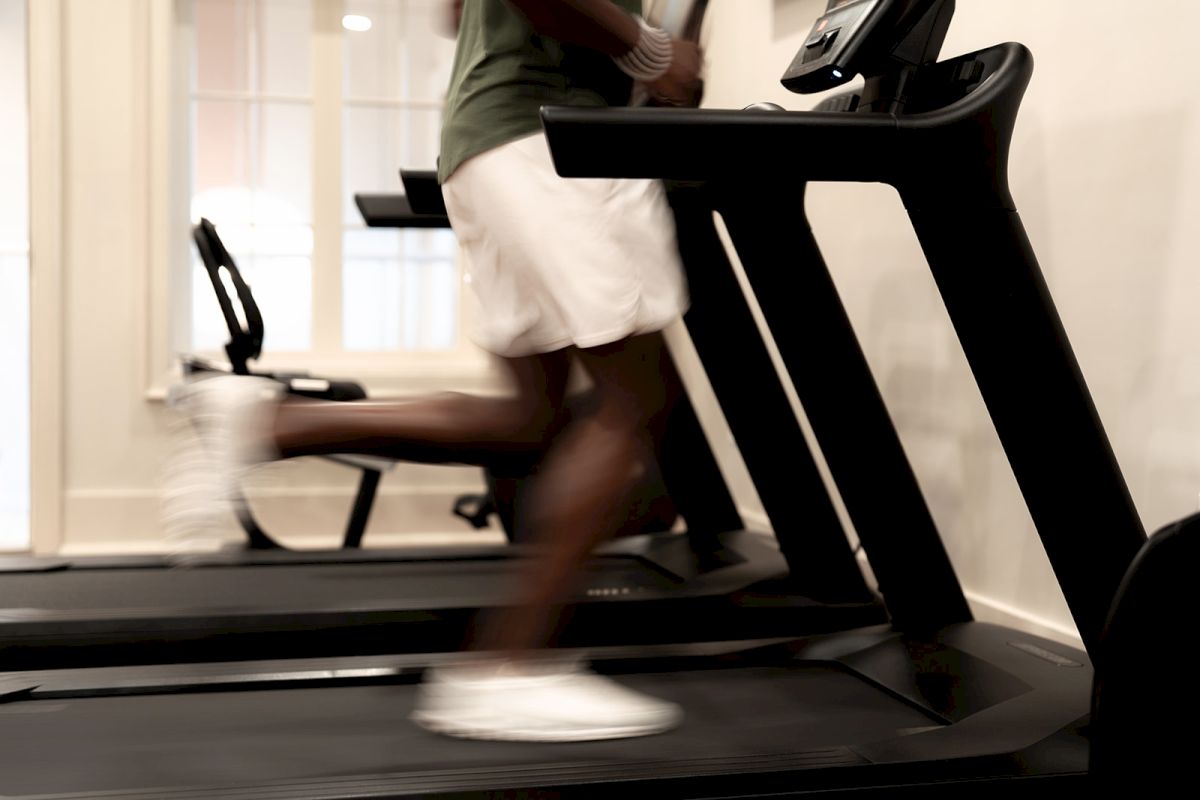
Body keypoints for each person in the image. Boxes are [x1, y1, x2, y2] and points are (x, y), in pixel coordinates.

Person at [162, 0, 703, 743]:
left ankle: (267, 421)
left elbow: (453, 12)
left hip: (486, 140)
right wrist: (649, 53)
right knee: (634, 404)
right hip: (556, 141)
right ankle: (508, 668)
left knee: (532, 419)